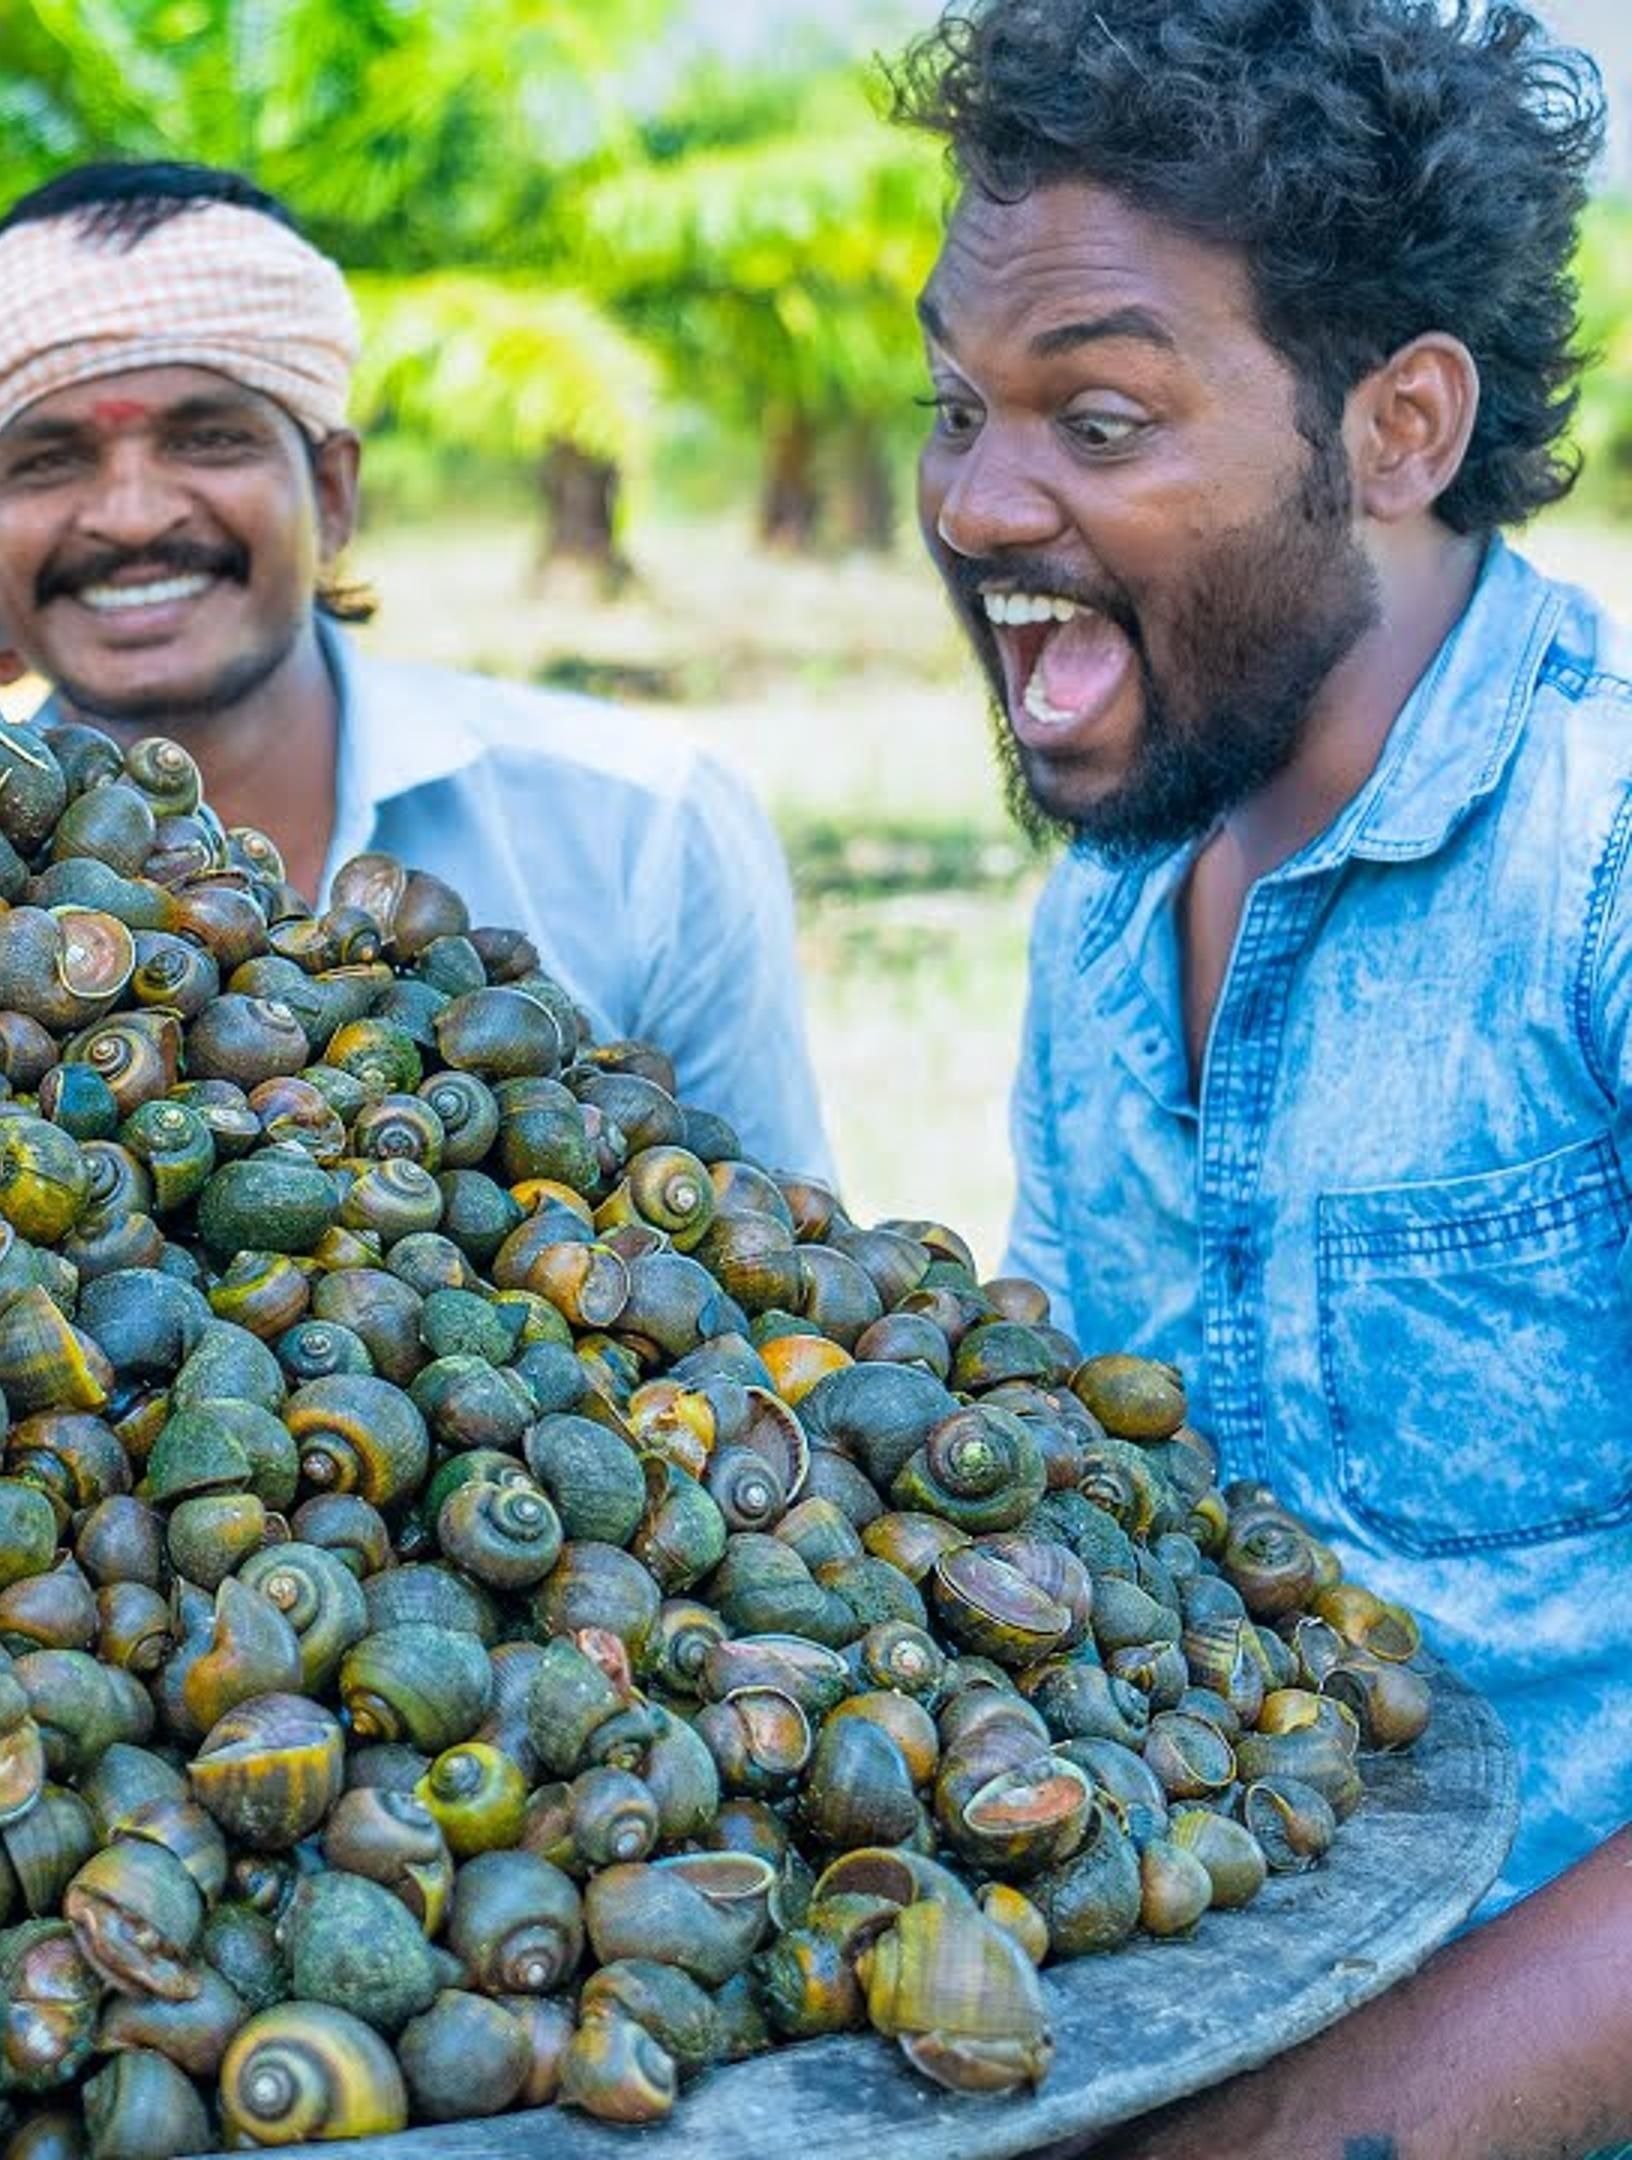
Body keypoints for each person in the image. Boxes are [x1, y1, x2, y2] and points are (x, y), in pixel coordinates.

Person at [894, 0, 1632, 2150]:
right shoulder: (1110, 904)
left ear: (1398, 428)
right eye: (957, 407)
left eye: (1099, 419)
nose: (975, 502)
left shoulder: (1597, 870)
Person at [0, 161, 838, 1182]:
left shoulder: (640, 827)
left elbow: (786, 1239)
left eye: (208, 440)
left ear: (333, 494)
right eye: (49, 460)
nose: (132, 515)